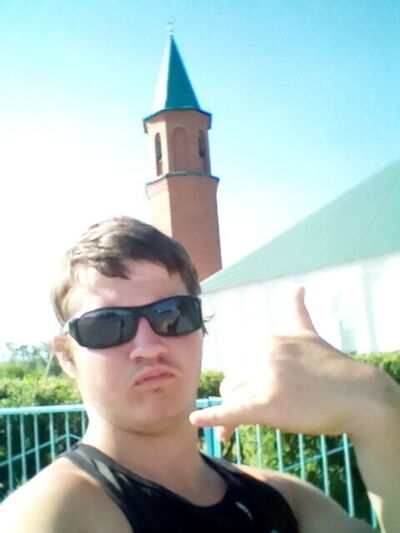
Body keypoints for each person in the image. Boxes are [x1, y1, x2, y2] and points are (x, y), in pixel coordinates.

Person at [0, 216, 398, 533]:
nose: (148, 346)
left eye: (172, 315)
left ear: (200, 329)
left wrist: (378, 409)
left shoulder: (285, 500)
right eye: (107, 324)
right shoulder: (53, 513)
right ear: (66, 356)